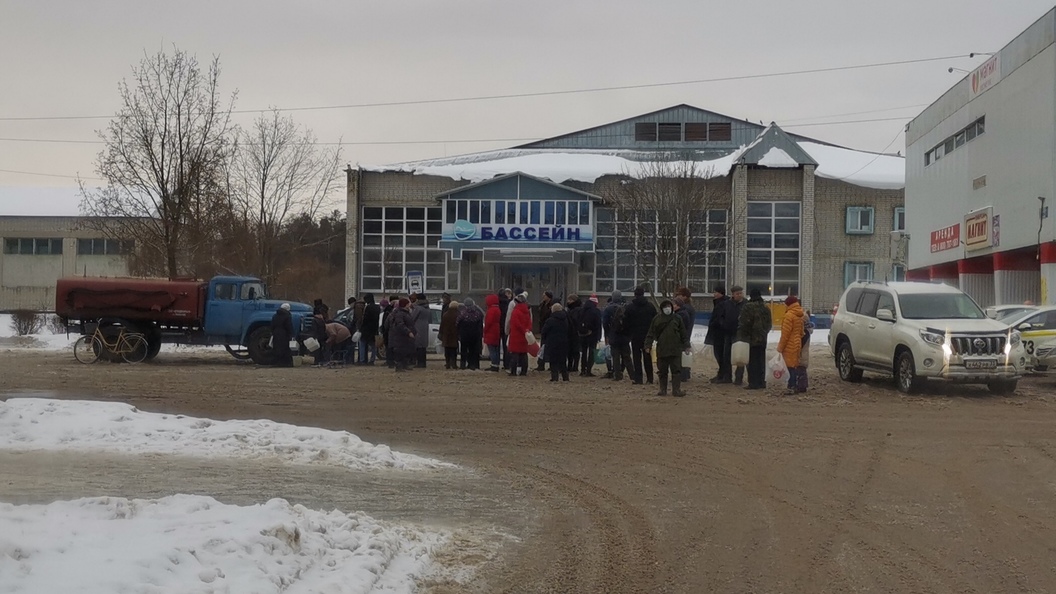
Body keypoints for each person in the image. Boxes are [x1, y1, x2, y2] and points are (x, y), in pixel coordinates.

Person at [645, 299, 690, 397]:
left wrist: (687, 345)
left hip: (675, 349)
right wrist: (647, 345)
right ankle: (663, 390)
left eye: (669, 306)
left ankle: (676, 390)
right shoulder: (657, 319)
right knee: (662, 371)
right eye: (665, 307)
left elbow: (683, 333)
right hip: (662, 349)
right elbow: (650, 333)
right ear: (662, 308)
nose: (667, 309)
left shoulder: (677, 318)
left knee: (676, 371)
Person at [737, 288, 772, 390]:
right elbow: (769, 324)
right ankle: (762, 382)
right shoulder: (766, 308)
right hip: (762, 338)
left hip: (751, 339)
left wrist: (742, 336)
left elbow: (744, 323)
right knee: (761, 360)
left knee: (752, 362)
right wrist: (764, 333)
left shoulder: (748, 307)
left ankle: (753, 383)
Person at [625, 286, 657, 384]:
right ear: (643, 294)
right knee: (647, 357)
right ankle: (650, 378)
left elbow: (626, 322)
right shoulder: (650, 306)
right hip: (647, 336)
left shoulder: (630, 307)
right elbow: (655, 321)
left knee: (636, 357)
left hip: (635, 336)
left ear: (635, 295)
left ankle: (638, 379)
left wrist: (629, 333)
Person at [706, 285, 736, 384]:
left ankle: (725, 376)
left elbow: (721, 318)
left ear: (720, 293)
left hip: (721, 333)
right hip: (718, 332)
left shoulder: (724, 304)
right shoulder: (720, 303)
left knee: (722, 355)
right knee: (719, 355)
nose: (714, 294)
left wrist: (718, 324)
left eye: (715, 292)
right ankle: (721, 374)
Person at [777, 295, 806, 395]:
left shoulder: (789, 316)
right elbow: (802, 332)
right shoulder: (799, 315)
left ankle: (791, 386)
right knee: (794, 365)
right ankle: (796, 385)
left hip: (790, 343)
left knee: (790, 366)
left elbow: (785, 334)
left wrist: (780, 347)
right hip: (797, 342)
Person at [603, 290, 633, 381]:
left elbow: (605, 323)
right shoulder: (626, 308)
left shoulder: (608, 309)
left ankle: (617, 375)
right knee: (627, 356)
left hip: (614, 336)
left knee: (615, 357)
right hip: (624, 336)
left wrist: (608, 334)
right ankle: (632, 374)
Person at [541, 303, 571, 381]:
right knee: (563, 360)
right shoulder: (565, 319)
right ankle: (565, 377)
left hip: (552, 342)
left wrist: (544, 339)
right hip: (563, 342)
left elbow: (544, 331)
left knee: (553, 360)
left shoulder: (550, 320)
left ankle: (554, 377)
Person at [507, 291, 533, 376]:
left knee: (515, 353)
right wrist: (526, 330)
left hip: (516, 335)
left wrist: (522, 330)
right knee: (523, 353)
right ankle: (524, 371)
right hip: (524, 335)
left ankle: (513, 371)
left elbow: (515, 323)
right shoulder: (526, 311)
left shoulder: (516, 311)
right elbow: (529, 322)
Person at [577, 294, 603, 377]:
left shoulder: (581, 310)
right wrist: (599, 336)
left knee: (584, 352)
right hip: (593, 335)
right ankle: (588, 370)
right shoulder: (596, 311)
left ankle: (582, 369)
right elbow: (598, 324)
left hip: (582, 334)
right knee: (591, 352)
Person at [387, 298, 416, 372]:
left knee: (406, 351)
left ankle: (404, 365)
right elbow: (400, 324)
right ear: (405, 304)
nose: (410, 304)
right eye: (408, 303)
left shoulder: (406, 312)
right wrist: (408, 332)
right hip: (400, 336)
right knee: (400, 351)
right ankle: (399, 366)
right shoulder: (400, 313)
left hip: (404, 337)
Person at [675, 287, 696, 382]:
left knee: (681, 354)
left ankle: (682, 374)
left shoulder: (685, 310)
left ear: (684, 296)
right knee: (685, 353)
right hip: (687, 334)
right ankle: (686, 373)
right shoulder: (689, 307)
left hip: (683, 335)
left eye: (679, 295)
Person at [727, 286, 747, 385]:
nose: (739, 295)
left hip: (742, 334)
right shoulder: (728, 304)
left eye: (740, 293)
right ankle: (727, 376)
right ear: (733, 294)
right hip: (729, 332)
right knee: (728, 354)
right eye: (737, 293)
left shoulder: (746, 304)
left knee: (740, 356)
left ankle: (739, 377)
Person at [458, 297, 484, 370]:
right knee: (473, 350)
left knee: (464, 350)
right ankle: (473, 364)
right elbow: (481, 322)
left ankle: (463, 364)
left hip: (464, 335)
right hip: (475, 335)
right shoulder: (477, 313)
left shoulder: (462, 314)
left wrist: (459, 333)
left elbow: (457, 323)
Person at [270, 303, 294, 367]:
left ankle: (277, 362)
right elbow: (289, 326)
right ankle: (286, 363)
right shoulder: (287, 316)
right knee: (285, 348)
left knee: (277, 347)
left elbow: (272, 325)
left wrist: (273, 332)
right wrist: (291, 334)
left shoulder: (275, 315)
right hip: (284, 333)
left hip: (276, 332)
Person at [410, 293, 431, 368]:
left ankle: (419, 363)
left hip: (418, 327)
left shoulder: (418, 308)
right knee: (423, 346)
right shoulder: (427, 307)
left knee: (418, 346)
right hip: (425, 327)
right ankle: (423, 362)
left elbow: (412, 318)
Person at [359, 293, 380, 365]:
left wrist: (361, 328)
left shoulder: (367, 308)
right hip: (374, 329)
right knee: (373, 345)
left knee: (362, 344)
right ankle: (372, 359)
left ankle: (362, 360)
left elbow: (365, 319)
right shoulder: (377, 307)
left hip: (366, 329)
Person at [484, 293, 503, 372]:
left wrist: (485, 330)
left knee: (492, 349)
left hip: (491, 331)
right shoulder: (497, 309)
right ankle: (496, 364)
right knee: (496, 349)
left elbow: (489, 322)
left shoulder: (491, 310)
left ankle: (494, 364)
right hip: (496, 330)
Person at [535, 291, 554, 371]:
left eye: (544, 295)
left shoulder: (551, 305)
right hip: (543, 327)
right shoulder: (542, 304)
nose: (543, 297)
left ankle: (551, 364)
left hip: (550, 329)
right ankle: (541, 364)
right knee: (542, 347)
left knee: (550, 347)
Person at [440, 300, 461, 369]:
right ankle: (454, 364)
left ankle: (447, 363)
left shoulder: (445, 314)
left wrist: (441, 333)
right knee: (454, 351)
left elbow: (442, 325)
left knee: (447, 351)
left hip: (446, 335)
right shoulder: (458, 314)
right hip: (454, 335)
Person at [565, 294, 582, 373]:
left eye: (570, 300)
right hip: (571, 332)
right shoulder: (571, 309)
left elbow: (575, 321)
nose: (568, 302)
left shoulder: (576, 310)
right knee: (570, 350)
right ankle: (571, 366)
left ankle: (574, 366)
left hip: (574, 332)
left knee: (574, 350)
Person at [497, 288, 513, 370]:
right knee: (506, 345)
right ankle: (507, 363)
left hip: (498, 326)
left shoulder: (497, 304)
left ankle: (496, 363)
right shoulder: (508, 303)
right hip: (505, 326)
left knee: (497, 345)